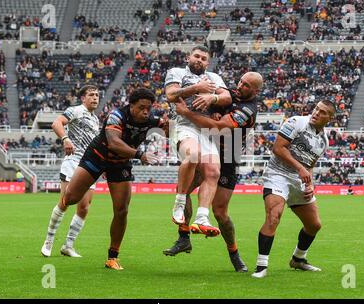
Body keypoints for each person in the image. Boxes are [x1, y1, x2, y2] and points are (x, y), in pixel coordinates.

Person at [163, 72, 263, 272]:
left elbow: (218, 127)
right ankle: (184, 237)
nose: (240, 85)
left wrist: (186, 114)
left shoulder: (248, 110)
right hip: (207, 147)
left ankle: (233, 251)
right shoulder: (231, 93)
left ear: (255, 91)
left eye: (246, 85)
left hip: (227, 157)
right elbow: (213, 103)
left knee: (220, 212)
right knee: (182, 187)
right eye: (240, 81)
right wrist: (213, 103)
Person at [61, 88, 167, 270]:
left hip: (120, 164)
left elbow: (170, 129)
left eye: (149, 108)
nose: (145, 112)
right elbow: (114, 143)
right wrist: (140, 154)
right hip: (97, 157)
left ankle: (112, 257)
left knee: (122, 210)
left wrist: (172, 126)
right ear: (131, 105)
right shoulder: (116, 116)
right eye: (141, 107)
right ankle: (63, 201)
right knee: (71, 199)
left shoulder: (152, 120)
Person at [251, 100, 336, 278]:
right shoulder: (296, 122)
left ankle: (298, 259)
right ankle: (261, 266)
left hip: (298, 179)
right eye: (316, 109)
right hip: (277, 174)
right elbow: (278, 148)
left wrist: (309, 184)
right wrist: (300, 168)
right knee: (274, 216)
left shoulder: (324, 141)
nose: (316, 113)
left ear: (330, 118)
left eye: (322, 112)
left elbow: (310, 165)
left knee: (314, 225)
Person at [165, 45, 232, 237]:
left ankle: (202, 217)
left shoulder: (214, 77)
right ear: (188, 57)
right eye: (196, 56)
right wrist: (196, 88)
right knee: (193, 155)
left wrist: (212, 98)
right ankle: (179, 203)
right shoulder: (176, 72)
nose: (199, 60)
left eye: (203, 58)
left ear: (207, 63)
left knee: (213, 171)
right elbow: (170, 95)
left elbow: (226, 97)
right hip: (183, 124)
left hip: (206, 128)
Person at [41, 85, 100, 258]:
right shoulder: (75, 111)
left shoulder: (95, 119)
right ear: (83, 98)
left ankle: (68, 245)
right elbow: (56, 123)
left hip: (90, 165)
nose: (95, 98)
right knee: (65, 202)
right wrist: (65, 138)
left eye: (97, 95)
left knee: (84, 208)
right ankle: (49, 240)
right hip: (73, 162)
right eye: (91, 95)